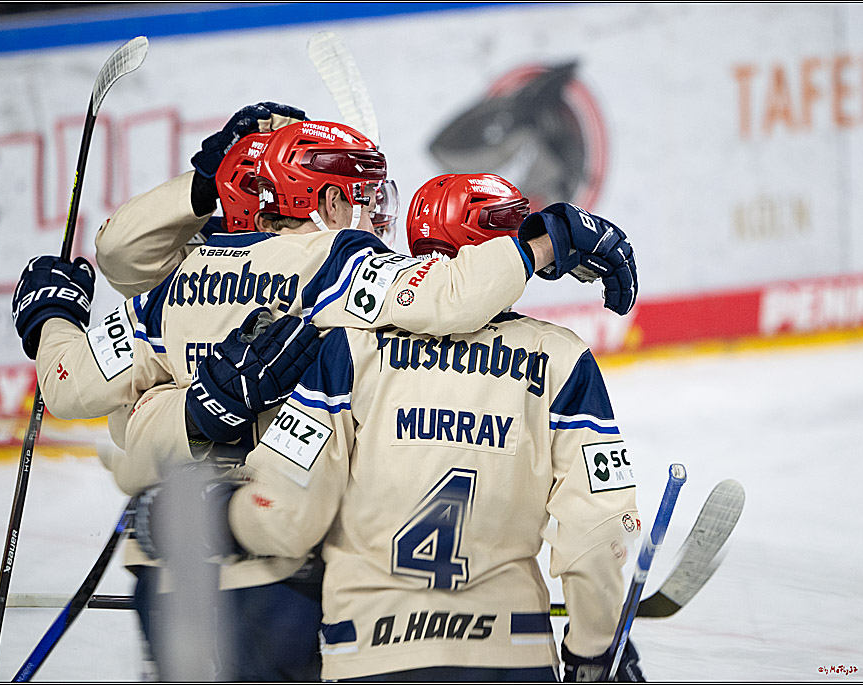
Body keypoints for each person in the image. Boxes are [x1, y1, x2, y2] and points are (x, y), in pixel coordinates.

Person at [12, 109, 636, 679]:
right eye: (364, 198)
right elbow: (452, 295)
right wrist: (545, 241)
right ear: (329, 199)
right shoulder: (336, 264)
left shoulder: (173, 282)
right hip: (280, 575)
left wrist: (53, 320)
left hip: (165, 570)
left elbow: (70, 385)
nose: (375, 217)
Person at [223, 172, 645, 681]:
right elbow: (597, 535)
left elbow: (287, 511)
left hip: (369, 651)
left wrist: (223, 513)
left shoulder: (347, 348)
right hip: (512, 656)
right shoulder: (562, 359)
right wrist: (597, 650)